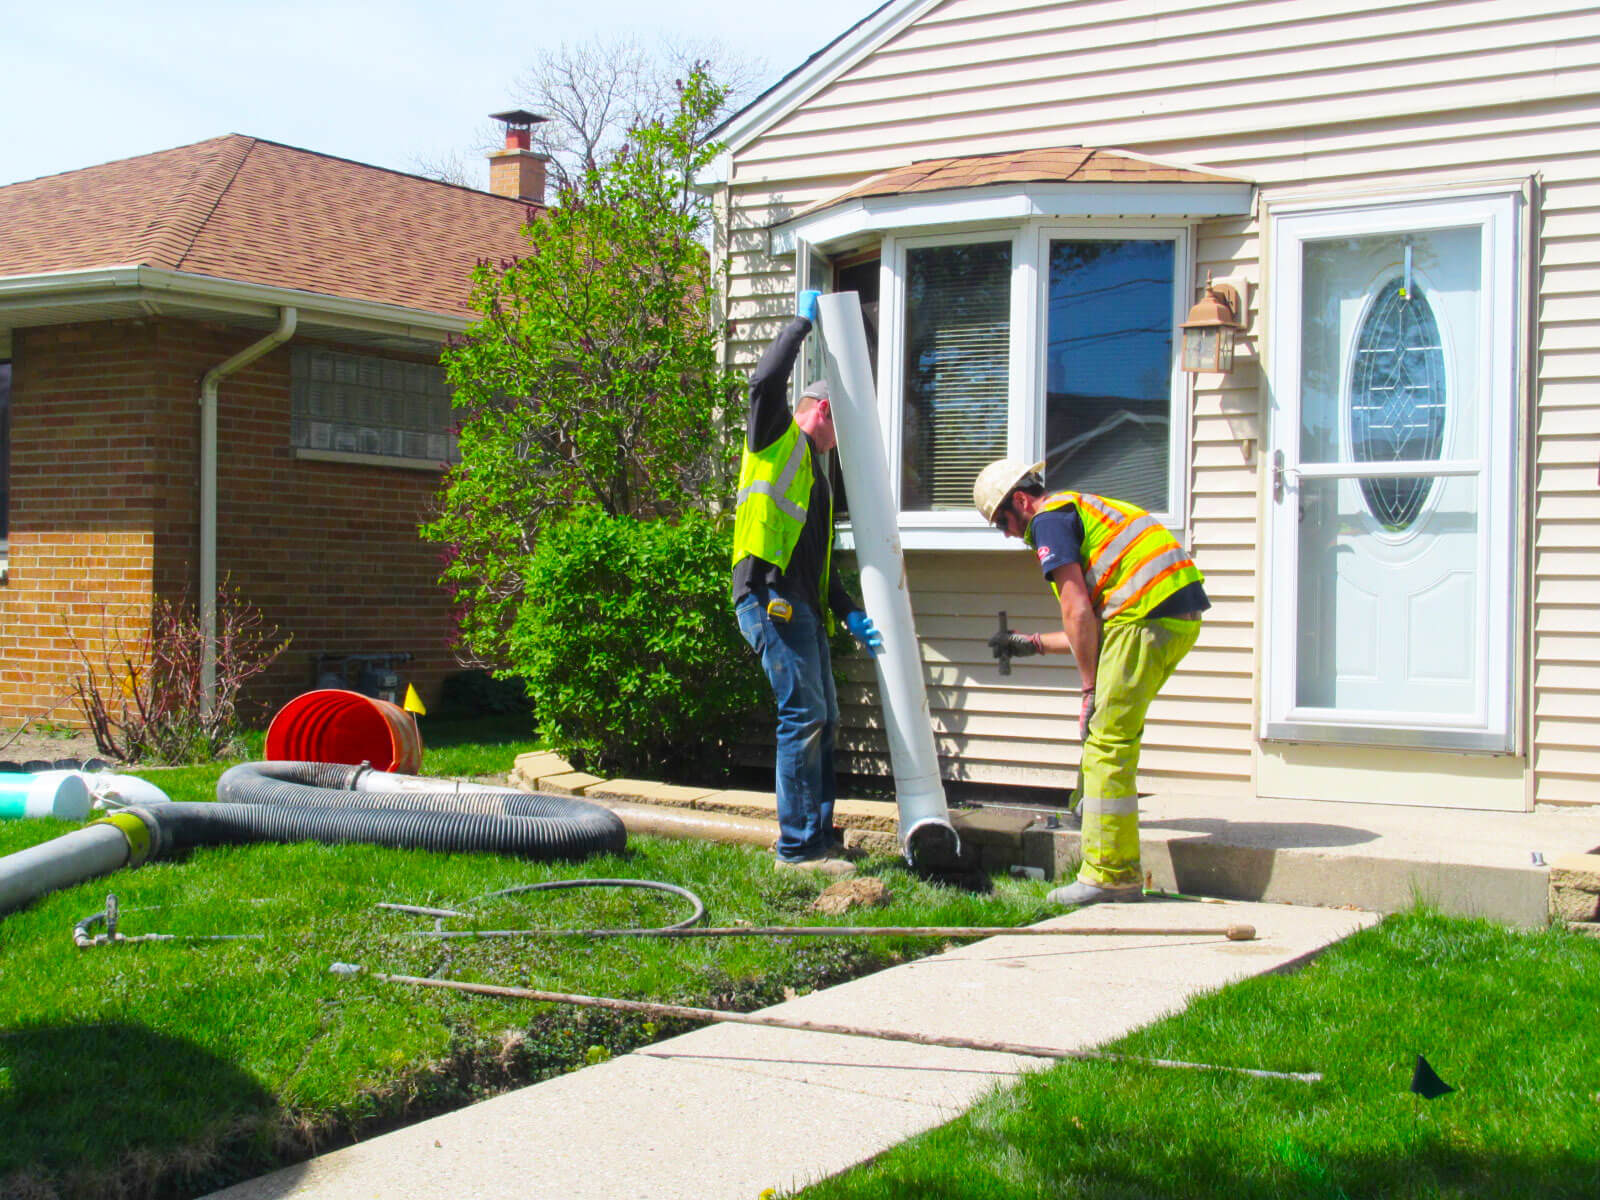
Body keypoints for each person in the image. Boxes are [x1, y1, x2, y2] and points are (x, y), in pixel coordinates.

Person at [973, 458, 1208, 906]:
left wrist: (1087, 692)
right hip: (1171, 614)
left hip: (1145, 616)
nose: (1006, 533)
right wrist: (1031, 643)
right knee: (1113, 728)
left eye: (1002, 521)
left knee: (1105, 736)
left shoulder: (1048, 521)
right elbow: (1095, 630)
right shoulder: (1080, 509)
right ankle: (1091, 813)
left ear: (1020, 500)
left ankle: (1108, 875)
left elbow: (1079, 611)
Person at [733, 289, 883, 875]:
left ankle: (818, 837)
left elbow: (816, 565)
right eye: (841, 427)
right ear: (822, 411)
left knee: (823, 718)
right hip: (769, 600)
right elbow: (763, 382)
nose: (842, 441)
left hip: (802, 604)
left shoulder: (818, 477)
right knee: (802, 716)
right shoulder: (775, 438)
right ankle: (796, 850)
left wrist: (846, 610)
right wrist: (800, 322)